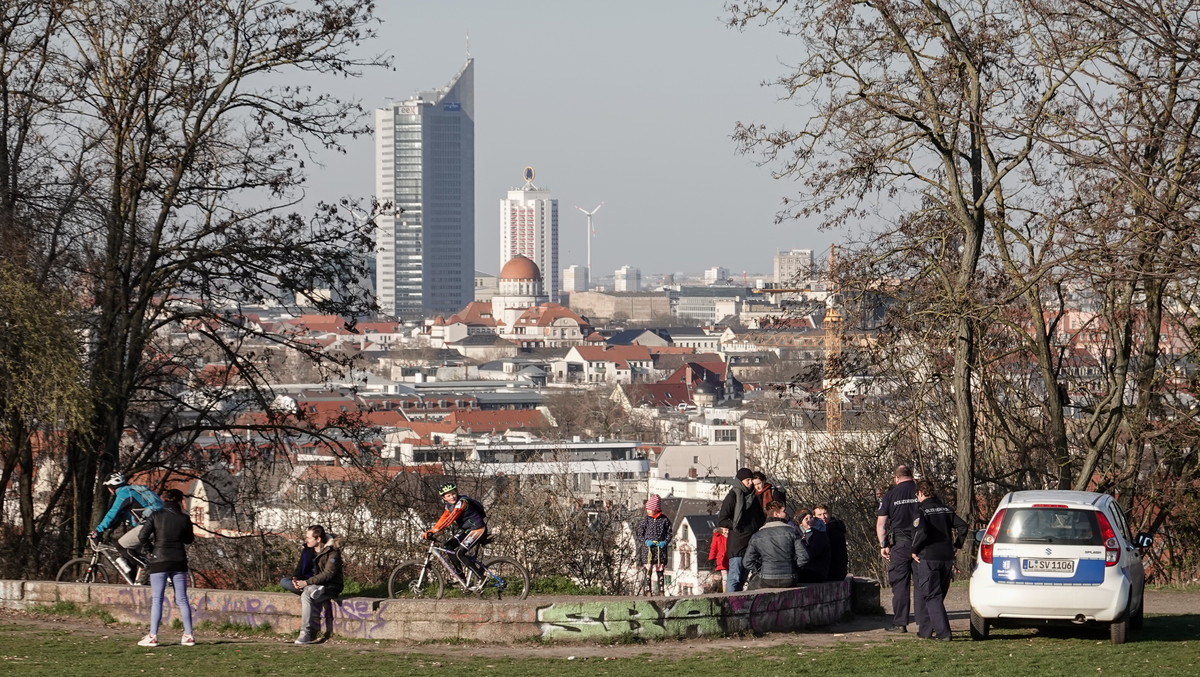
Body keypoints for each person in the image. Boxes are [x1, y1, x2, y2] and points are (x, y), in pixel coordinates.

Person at [136, 488, 195, 647]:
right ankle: (188, 635)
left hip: (159, 560)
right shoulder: (184, 518)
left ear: (164, 500)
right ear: (180, 501)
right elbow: (189, 539)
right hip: (179, 560)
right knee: (182, 599)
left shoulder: (155, 515)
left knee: (157, 599)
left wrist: (151, 550)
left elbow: (142, 536)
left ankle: (153, 636)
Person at [910, 480, 968, 641]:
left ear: (920, 493)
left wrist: (913, 550)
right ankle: (925, 630)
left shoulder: (921, 510)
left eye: (917, 495)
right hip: (947, 557)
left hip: (929, 557)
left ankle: (943, 633)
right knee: (937, 596)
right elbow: (963, 527)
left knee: (931, 596)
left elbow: (921, 532)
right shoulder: (946, 509)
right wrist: (957, 545)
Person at [90, 472, 164, 585]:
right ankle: (135, 585)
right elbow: (118, 518)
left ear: (111, 488)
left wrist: (98, 530)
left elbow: (112, 513)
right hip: (157, 524)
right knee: (131, 555)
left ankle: (146, 567)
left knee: (121, 545)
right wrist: (108, 527)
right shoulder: (132, 491)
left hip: (149, 526)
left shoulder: (124, 493)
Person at [876, 464, 920, 632]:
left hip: (900, 544)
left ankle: (900, 623)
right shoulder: (921, 492)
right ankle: (925, 622)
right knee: (922, 582)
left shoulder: (890, 495)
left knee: (900, 584)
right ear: (912, 476)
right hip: (921, 543)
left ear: (896, 478)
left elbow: (881, 524)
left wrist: (883, 545)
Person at [423, 483, 489, 587]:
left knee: (459, 553)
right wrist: (431, 530)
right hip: (467, 530)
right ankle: (461, 579)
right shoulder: (448, 505)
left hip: (478, 528)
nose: (452, 497)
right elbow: (444, 518)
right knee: (448, 547)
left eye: (453, 494)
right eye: (448, 495)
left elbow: (451, 518)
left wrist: (434, 531)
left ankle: (481, 577)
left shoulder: (462, 502)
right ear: (444, 498)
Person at [292, 525, 344, 645]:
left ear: (318, 539)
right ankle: (312, 589)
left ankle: (305, 634)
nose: (306, 540)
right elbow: (301, 567)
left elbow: (328, 574)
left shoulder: (333, 552)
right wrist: (296, 579)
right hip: (313, 584)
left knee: (306, 594)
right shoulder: (309, 549)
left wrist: (306, 583)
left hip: (330, 587)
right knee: (286, 582)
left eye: (309, 538)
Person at [717, 467, 766, 592]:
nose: (750, 483)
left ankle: (738, 602)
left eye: (751, 480)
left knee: (743, 578)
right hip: (737, 544)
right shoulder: (733, 496)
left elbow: (760, 517)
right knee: (735, 577)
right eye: (747, 480)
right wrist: (737, 525)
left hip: (751, 544)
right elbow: (722, 520)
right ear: (740, 481)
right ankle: (730, 602)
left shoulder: (754, 497)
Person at [743, 501, 808, 590]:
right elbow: (804, 557)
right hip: (789, 578)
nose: (787, 513)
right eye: (784, 511)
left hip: (767, 578)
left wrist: (762, 570)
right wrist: (793, 568)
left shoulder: (757, 536)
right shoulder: (792, 532)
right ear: (776, 514)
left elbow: (747, 562)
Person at [635, 494, 672, 595]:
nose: (647, 510)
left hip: (660, 550)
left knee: (660, 570)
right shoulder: (645, 520)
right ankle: (648, 590)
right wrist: (645, 541)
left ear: (655, 509)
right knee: (648, 570)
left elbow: (669, 533)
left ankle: (661, 590)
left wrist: (665, 542)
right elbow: (639, 533)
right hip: (648, 550)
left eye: (649, 509)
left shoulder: (664, 520)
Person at [794, 508, 831, 583]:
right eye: (806, 519)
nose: (809, 520)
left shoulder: (819, 535)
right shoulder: (798, 534)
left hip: (816, 571)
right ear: (801, 522)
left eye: (811, 518)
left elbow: (812, 553)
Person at [814, 504, 849, 581]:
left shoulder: (834, 530)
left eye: (825, 514)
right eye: (819, 515)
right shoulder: (834, 526)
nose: (823, 517)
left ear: (829, 514)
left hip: (833, 572)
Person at [707, 525, 729, 592]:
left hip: (730, 559)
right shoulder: (717, 536)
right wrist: (711, 559)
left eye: (727, 529)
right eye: (725, 529)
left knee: (732, 578)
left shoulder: (731, 536)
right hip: (722, 561)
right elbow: (713, 548)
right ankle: (725, 593)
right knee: (725, 578)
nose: (726, 531)